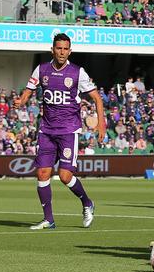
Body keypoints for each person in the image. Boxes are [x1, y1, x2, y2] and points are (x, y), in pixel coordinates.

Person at [13, 33, 106, 230]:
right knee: (43, 173)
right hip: (46, 129)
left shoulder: (77, 73)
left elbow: (97, 98)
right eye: (59, 48)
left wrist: (101, 124)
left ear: (70, 51)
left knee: (64, 176)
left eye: (65, 49)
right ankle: (49, 219)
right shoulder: (42, 69)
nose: (62, 52)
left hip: (68, 130)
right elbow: (30, 89)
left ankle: (87, 203)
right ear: (52, 49)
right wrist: (21, 101)